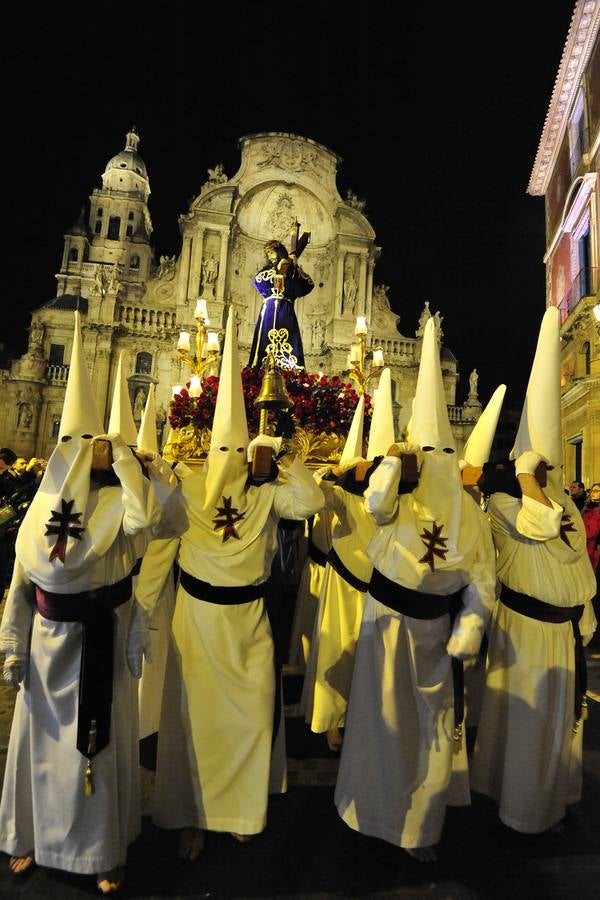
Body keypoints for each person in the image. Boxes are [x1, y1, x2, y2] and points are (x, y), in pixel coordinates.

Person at [135, 314, 323, 862]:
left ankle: (241, 809)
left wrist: (285, 461)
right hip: (195, 626)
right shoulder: (184, 493)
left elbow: (309, 505)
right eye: (223, 452)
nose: (229, 463)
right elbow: (158, 560)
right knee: (194, 726)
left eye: (237, 453)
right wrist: (139, 622)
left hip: (249, 624)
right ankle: (190, 816)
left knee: (249, 716)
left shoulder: (267, 493)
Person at [0, 312, 160, 894]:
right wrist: (13, 646)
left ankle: (100, 852)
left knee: (101, 748)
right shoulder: (39, 511)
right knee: (41, 748)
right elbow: (22, 584)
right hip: (48, 649)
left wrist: (122, 460)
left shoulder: (121, 503)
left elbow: (149, 524)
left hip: (104, 638)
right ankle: (31, 837)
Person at [334, 318, 497, 862]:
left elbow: (481, 581)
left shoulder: (469, 516)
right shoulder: (398, 493)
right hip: (385, 624)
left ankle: (418, 830)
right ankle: (369, 814)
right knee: (382, 727)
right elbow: (374, 509)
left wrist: (468, 634)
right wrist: (393, 469)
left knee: (430, 733)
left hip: (435, 635)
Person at [471, 307, 597, 835]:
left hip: (563, 633)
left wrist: (585, 618)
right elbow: (539, 525)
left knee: (557, 731)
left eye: (550, 465)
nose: (549, 472)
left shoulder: (565, 504)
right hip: (525, 636)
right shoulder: (504, 506)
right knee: (525, 729)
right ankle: (516, 811)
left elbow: (573, 560)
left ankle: (552, 800)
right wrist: (525, 471)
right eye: (539, 464)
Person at [301, 370, 396, 752]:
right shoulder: (346, 499)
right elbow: (319, 491)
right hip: (345, 587)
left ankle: (370, 717)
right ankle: (331, 722)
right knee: (339, 653)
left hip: (382, 591)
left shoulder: (397, 507)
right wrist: (339, 472)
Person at [248, 239, 314, 370]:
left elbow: (308, 285)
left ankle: (291, 370)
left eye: (272, 253)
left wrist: (294, 268)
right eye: (268, 254)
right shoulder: (266, 272)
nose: (270, 257)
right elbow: (257, 282)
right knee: (264, 343)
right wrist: (277, 271)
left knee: (288, 340)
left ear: (279, 253)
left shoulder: (292, 274)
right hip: (269, 311)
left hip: (286, 311)